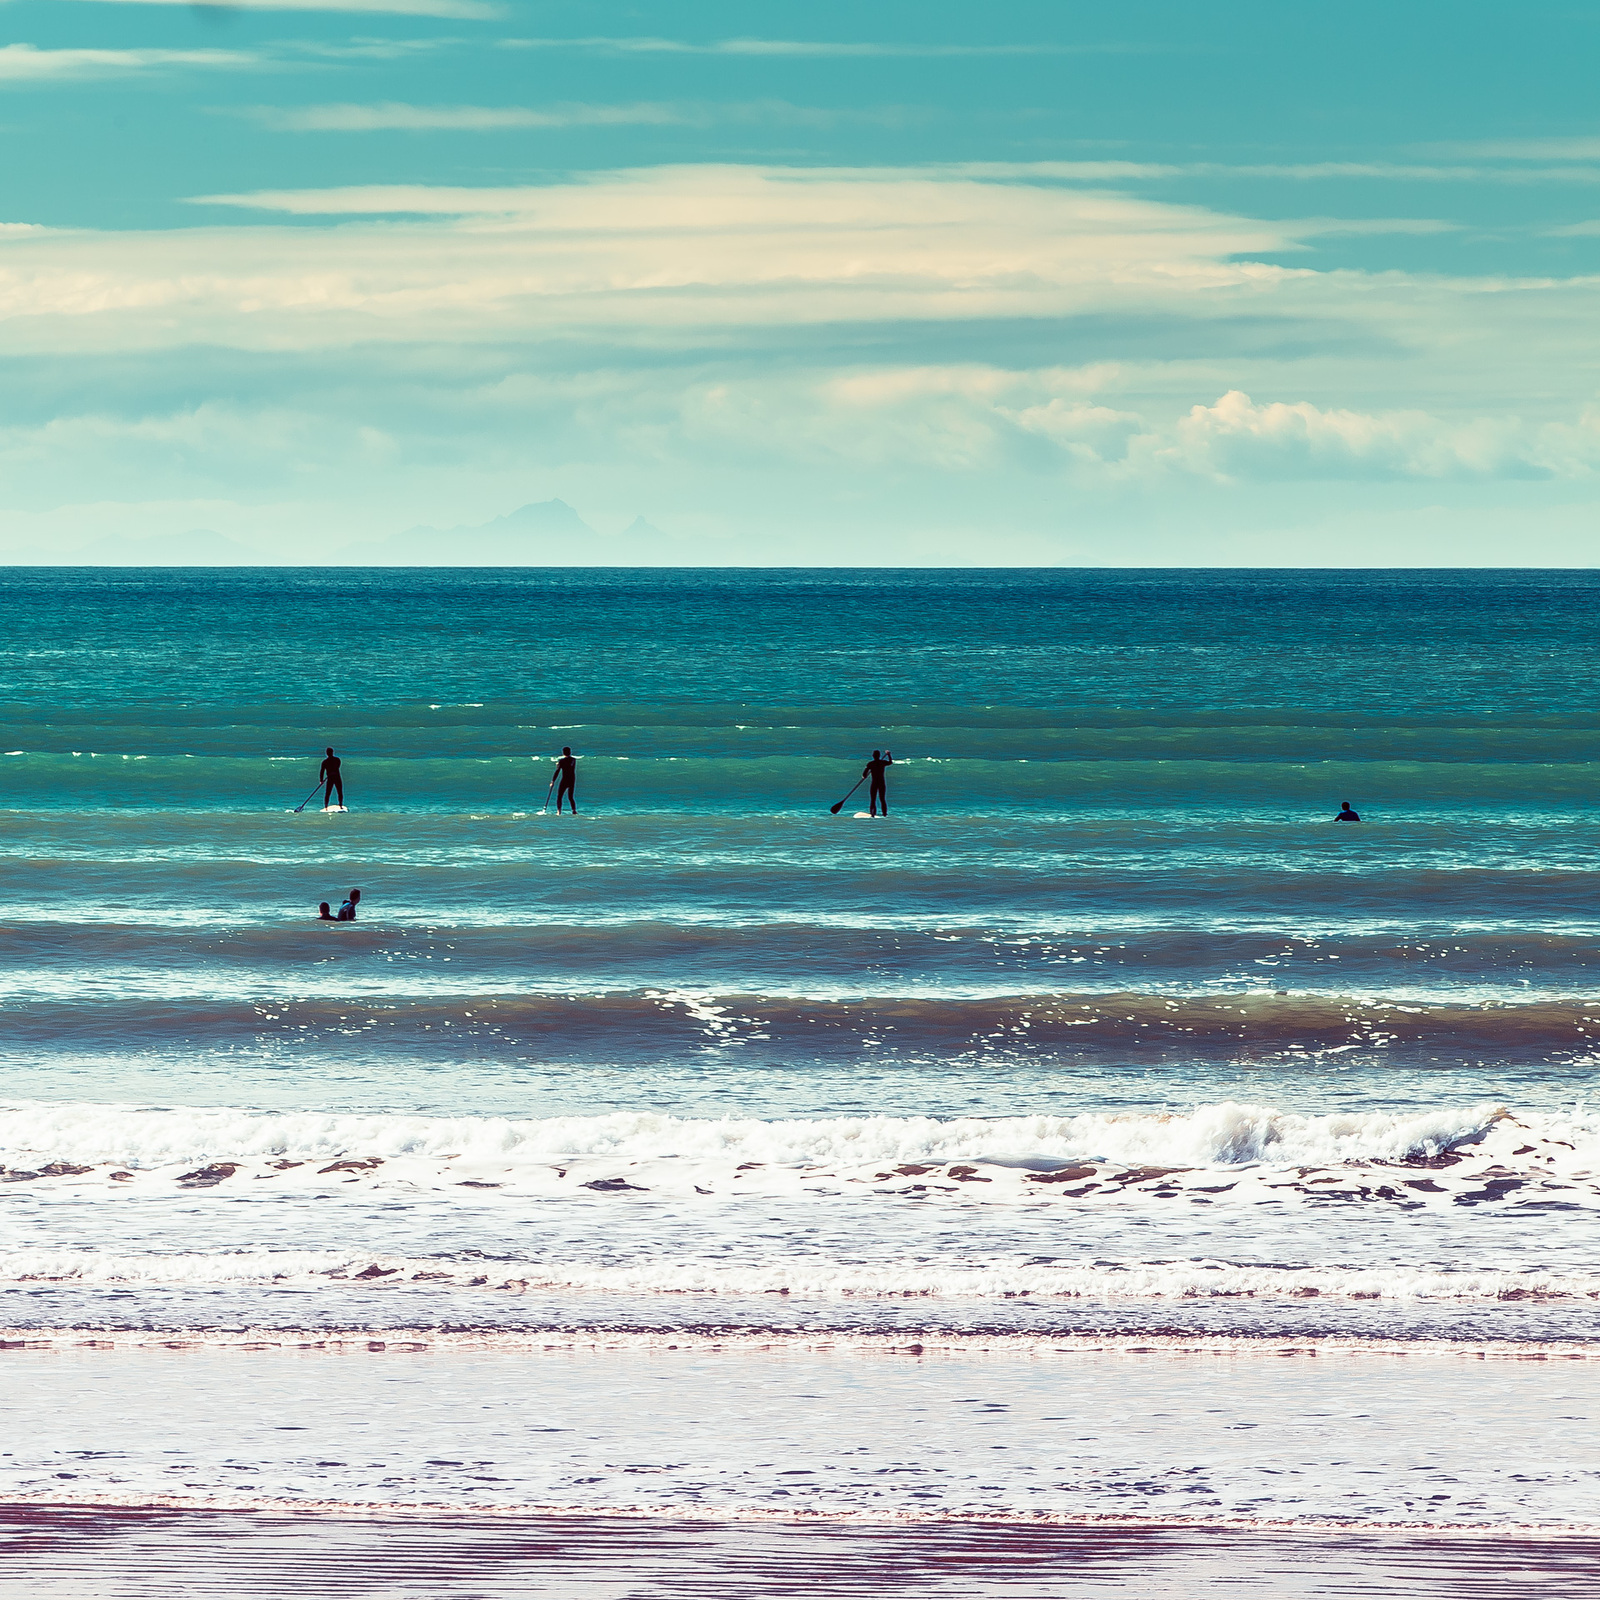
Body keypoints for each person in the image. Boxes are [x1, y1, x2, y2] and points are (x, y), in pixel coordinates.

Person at [864, 749, 893, 817]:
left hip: (874, 783)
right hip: (881, 783)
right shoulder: (882, 763)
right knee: (882, 799)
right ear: (879, 756)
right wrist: (888, 755)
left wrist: (865, 776)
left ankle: (873, 814)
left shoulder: (870, 764)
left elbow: (864, 775)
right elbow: (890, 762)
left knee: (873, 799)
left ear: (873, 756)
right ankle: (884, 814)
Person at [551, 746, 578, 814]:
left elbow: (557, 771)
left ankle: (559, 811)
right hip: (572, 780)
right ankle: (574, 810)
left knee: (559, 796)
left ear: (563, 753)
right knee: (570, 797)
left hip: (565, 780)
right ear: (570, 752)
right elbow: (570, 765)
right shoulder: (573, 760)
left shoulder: (562, 761)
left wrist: (553, 781)